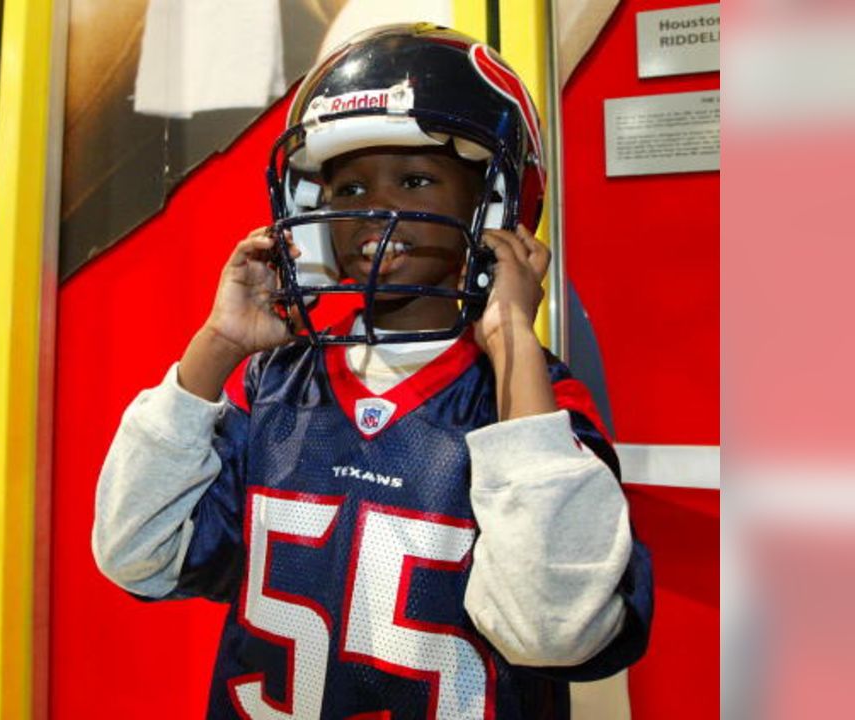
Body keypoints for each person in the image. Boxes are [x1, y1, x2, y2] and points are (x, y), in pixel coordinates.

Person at [93, 24, 652, 719]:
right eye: (349, 187)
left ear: (497, 207)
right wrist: (216, 345)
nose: (373, 211)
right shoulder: (276, 383)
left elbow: (555, 629)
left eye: (415, 179)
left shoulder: (533, 408)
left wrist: (513, 345)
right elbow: (135, 553)